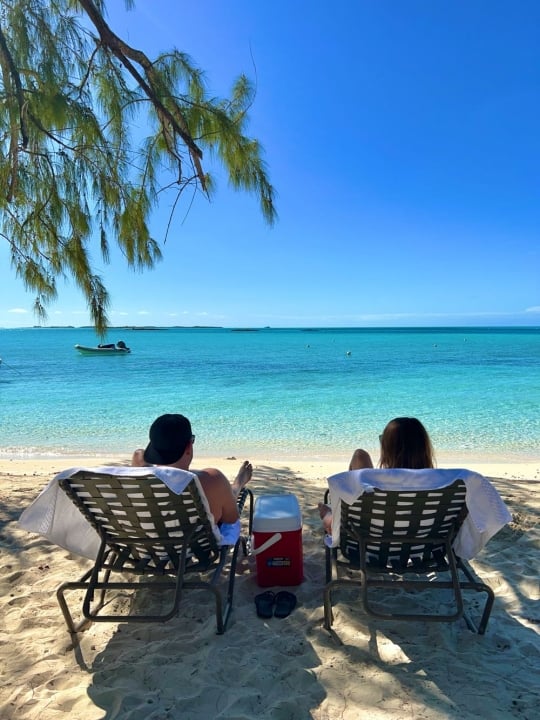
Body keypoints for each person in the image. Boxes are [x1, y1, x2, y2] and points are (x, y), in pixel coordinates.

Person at [318, 417, 435, 532]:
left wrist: (328, 515)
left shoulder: (378, 486)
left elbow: (343, 528)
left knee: (360, 455)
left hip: (371, 547)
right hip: (423, 549)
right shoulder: (440, 487)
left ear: (389, 449)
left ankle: (329, 513)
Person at [132, 413, 252, 525]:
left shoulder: (139, 477)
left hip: (145, 546)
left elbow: (139, 455)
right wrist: (238, 483)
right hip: (195, 547)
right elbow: (231, 518)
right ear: (189, 446)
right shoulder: (212, 479)